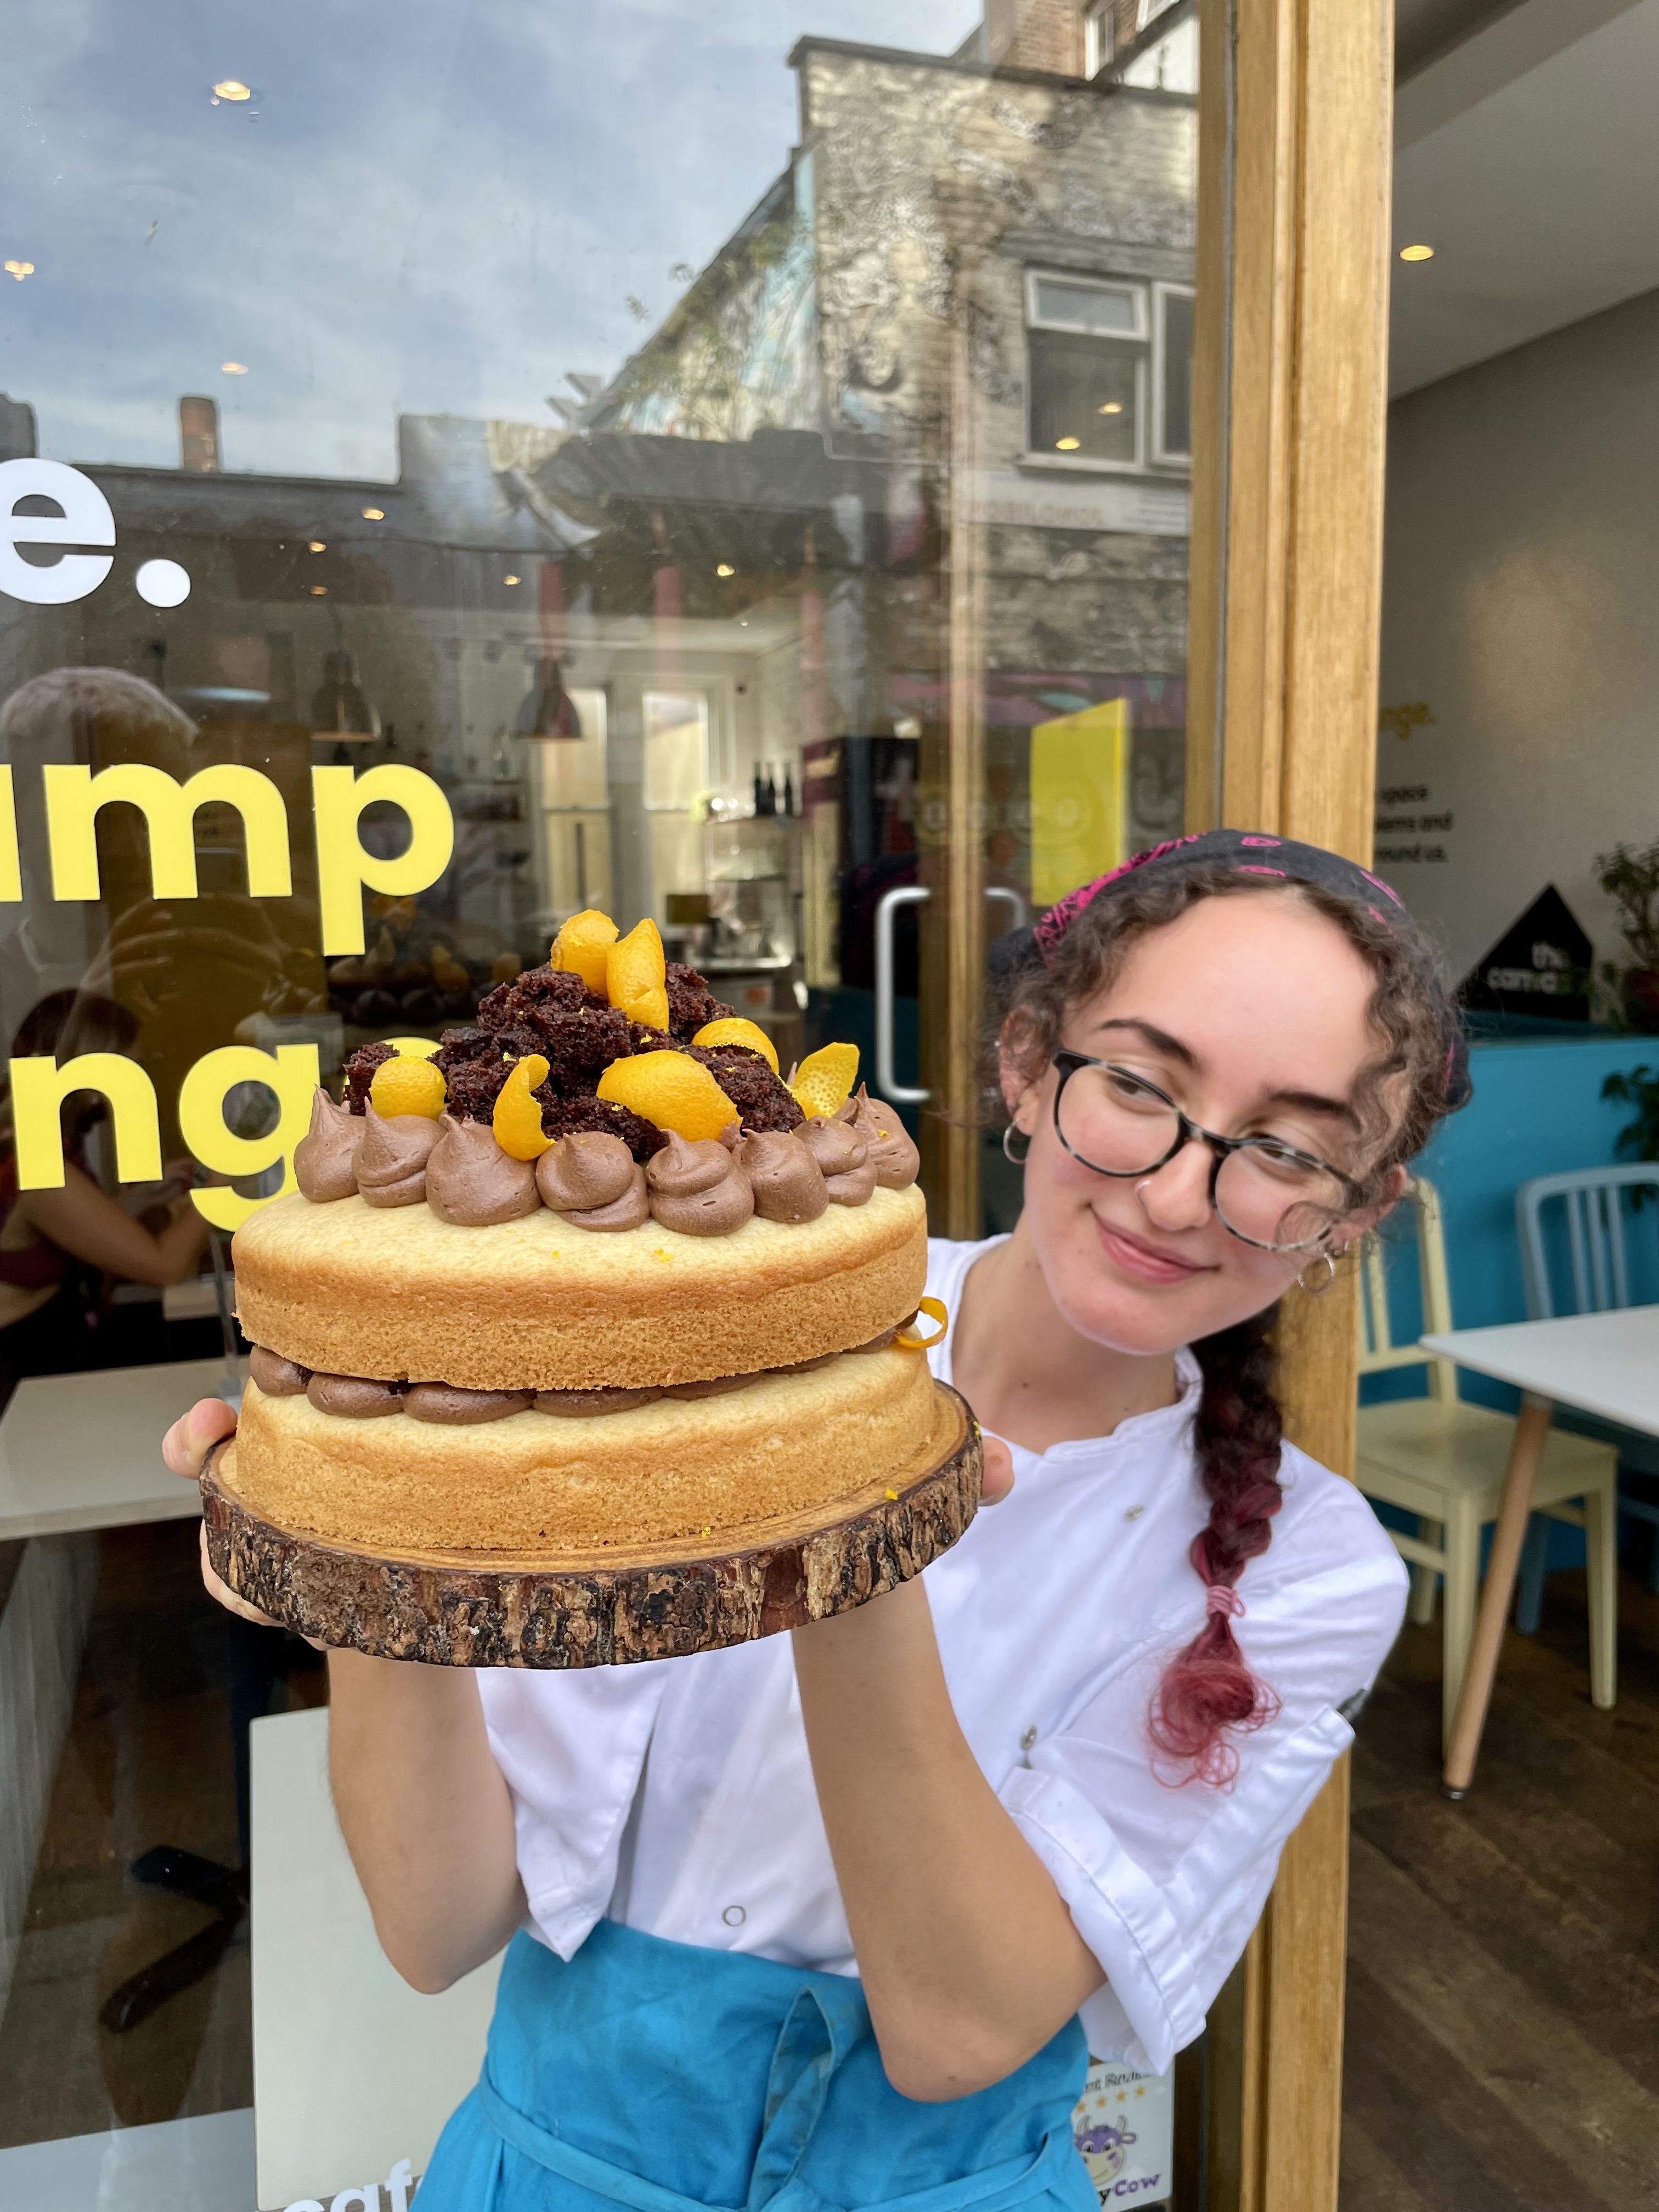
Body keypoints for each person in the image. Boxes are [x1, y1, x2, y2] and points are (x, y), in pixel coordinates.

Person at [164, 830, 1464, 2211]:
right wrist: (369, 1523)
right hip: (547, 2171)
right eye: (1137, 1083)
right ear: (1028, 1064)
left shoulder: (1309, 1575)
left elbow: (959, 2035)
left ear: (1353, 1214)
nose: (1178, 1190)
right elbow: (435, 1924)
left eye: (1283, 1149)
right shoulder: (688, 1334)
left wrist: (857, 1510)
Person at [0, 989, 213, 1403]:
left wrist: (137, 1200)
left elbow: (63, 1229)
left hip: (52, 1332)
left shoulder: (39, 1136)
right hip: (24, 1358)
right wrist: (224, 1183)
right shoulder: (36, 1163)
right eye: (125, 1073)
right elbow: (165, 1267)